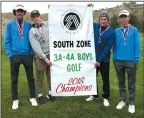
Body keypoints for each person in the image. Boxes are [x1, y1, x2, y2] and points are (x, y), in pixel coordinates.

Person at [4, 4, 38, 110]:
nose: (19, 13)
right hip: (15, 56)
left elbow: (33, 40)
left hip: (27, 55)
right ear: (15, 12)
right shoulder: (9, 25)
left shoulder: (28, 25)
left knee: (30, 78)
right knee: (14, 79)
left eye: (21, 11)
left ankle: (32, 97)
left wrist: (31, 53)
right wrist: (10, 55)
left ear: (24, 13)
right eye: (18, 11)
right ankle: (15, 100)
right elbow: (7, 41)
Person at [86, 4, 115, 107]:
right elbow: (88, 18)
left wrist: (99, 60)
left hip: (104, 60)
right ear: (99, 20)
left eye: (105, 19)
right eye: (101, 19)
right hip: (94, 59)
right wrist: (89, 7)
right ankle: (94, 95)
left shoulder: (111, 33)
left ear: (108, 20)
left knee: (105, 79)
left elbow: (107, 48)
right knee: (93, 77)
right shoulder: (97, 26)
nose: (103, 21)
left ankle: (106, 97)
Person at [113, 10, 140, 113]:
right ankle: (122, 100)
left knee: (131, 83)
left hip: (131, 61)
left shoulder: (134, 30)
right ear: (120, 19)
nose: (124, 19)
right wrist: (114, 58)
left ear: (129, 18)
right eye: (122, 17)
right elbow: (114, 46)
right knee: (121, 82)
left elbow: (137, 45)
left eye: (125, 16)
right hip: (118, 61)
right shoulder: (116, 31)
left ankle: (132, 103)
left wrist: (136, 59)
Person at [29, 10, 55, 104]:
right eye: (34, 17)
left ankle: (50, 92)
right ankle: (39, 95)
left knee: (50, 75)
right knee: (40, 77)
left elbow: (57, 19)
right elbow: (36, 48)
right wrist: (45, 59)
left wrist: (53, 8)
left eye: (37, 16)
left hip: (50, 54)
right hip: (39, 57)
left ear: (40, 17)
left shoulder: (47, 24)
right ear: (32, 19)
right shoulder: (32, 31)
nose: (36, 18)